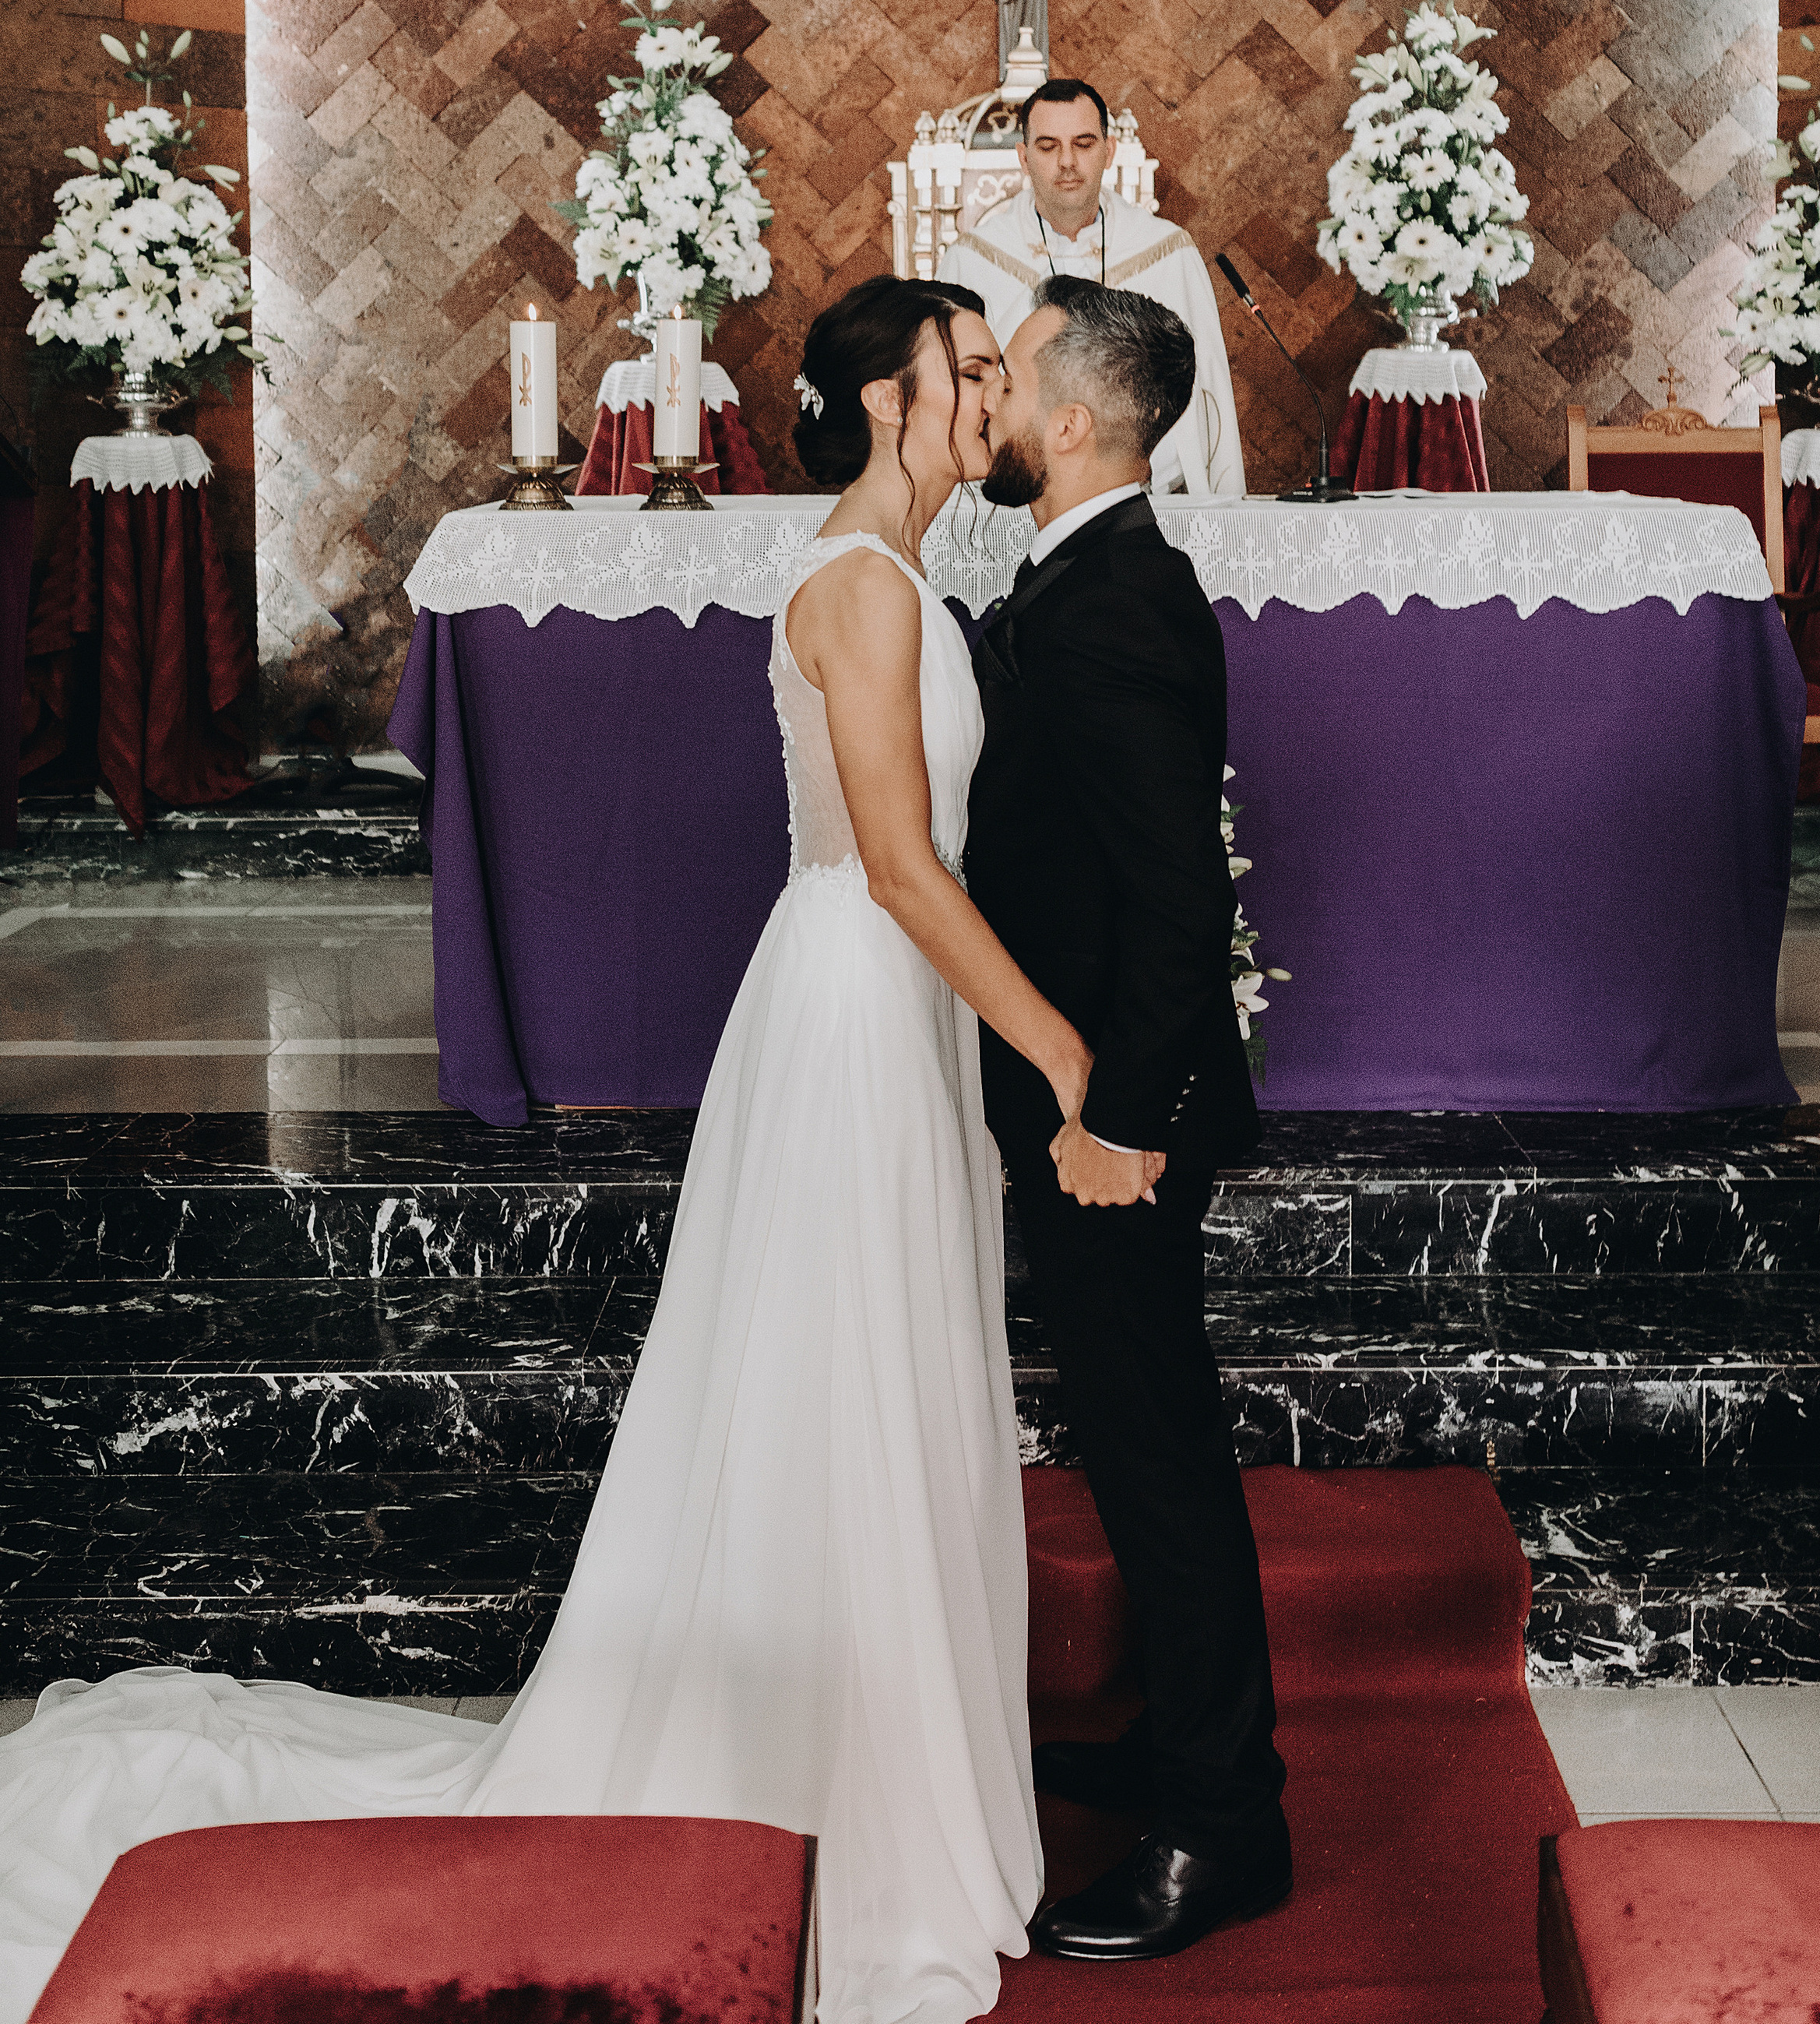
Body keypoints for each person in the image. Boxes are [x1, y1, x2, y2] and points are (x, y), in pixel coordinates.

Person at [0, 276, 1114, 2024]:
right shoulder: (863, 583)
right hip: (855, 1001)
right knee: (846, 1385)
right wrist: (1058, 1047)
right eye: (968, 373)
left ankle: (865, 1774)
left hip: (878, 1010)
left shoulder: (883, 570)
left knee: (868, 1385)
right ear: (892, 404)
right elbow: (901, 868)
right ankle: (840, 1808)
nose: (992, 401)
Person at [969, 275, 1290, 1962]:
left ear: (1073, 420)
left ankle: (1224, 1825)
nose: (989, 395)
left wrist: (1123, 1120)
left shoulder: (1111, 606)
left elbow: (1179, 909)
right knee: (1133, 1433)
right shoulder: (1080, 580)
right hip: (1093, 1095)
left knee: (1157, 1455)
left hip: (1114, 1117)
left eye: (1007, 373)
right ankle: (1181, 1747)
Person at [938, 78, 1245, 498]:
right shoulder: (972, 260)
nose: (1067, 161)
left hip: (1146, 497)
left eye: (1083, 143)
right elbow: (953, 395)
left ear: (1108, 151)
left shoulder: (1167, 252)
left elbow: (1207, 391)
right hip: (1017, 502)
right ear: (1024, 158)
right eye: (1048, 147)